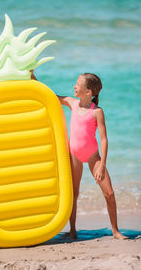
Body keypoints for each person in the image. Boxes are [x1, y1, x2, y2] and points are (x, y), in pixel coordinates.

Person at [30, 70, 127, 240]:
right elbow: (51, 96)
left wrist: (102, 165)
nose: (74, 86)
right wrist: (32, 77)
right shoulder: (72, 103)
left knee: (109, 193)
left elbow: (103, 140)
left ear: (88, 92)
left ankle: (115, 230)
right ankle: (73, 230)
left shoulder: (97, 112)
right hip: (74, 154)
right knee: (73, 193)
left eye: (78, 84)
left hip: (92, 156)